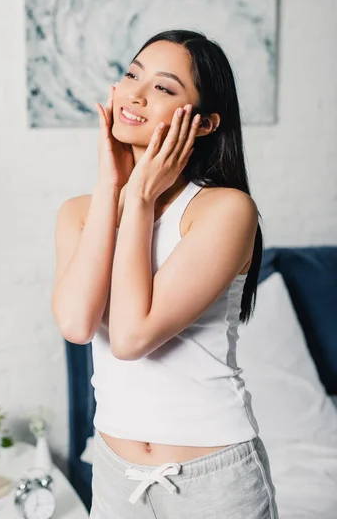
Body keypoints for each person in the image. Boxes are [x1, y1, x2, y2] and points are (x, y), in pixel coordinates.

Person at [51, 29, 279, 518]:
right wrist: (112, 183)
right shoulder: (78, 212)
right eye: (132, 74)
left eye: (163, 87)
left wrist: (138, 197)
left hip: (215, 480)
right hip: (115, 476)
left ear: (203, 124)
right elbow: (76, 325)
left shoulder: (225, 211)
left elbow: (132, 337)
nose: (134, 94)